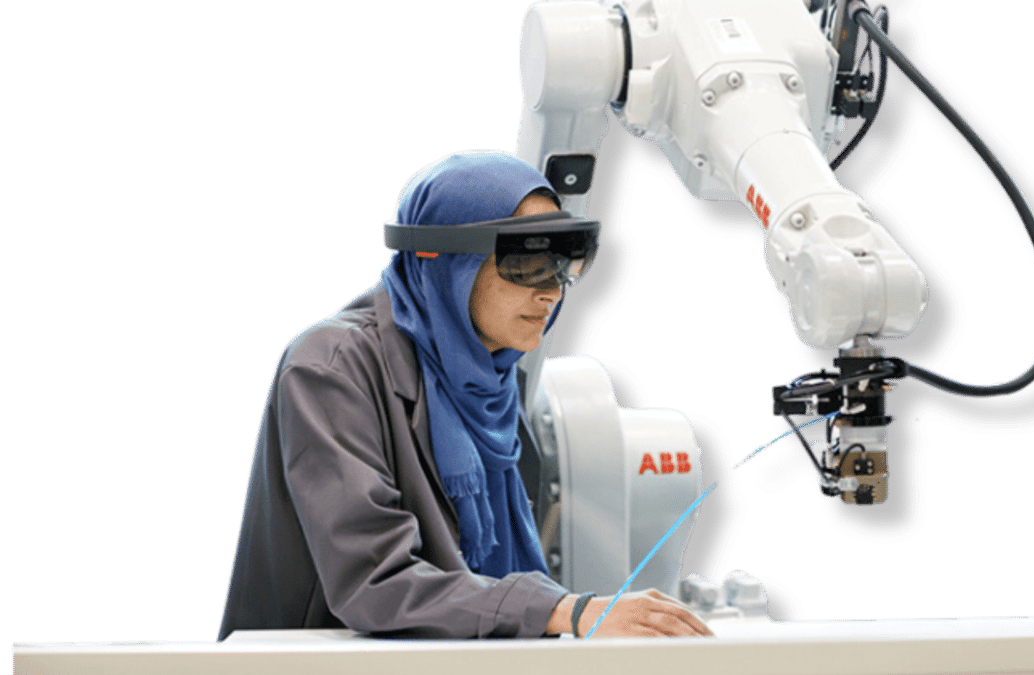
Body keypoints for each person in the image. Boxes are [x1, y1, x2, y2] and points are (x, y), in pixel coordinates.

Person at [217, 150, 711, 640]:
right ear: (447, 262)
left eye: (563, 263)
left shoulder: (490, 376)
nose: (553, 292)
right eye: (527, 263)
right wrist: (569, 611)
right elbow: (375, 583)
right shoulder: (330, 366)